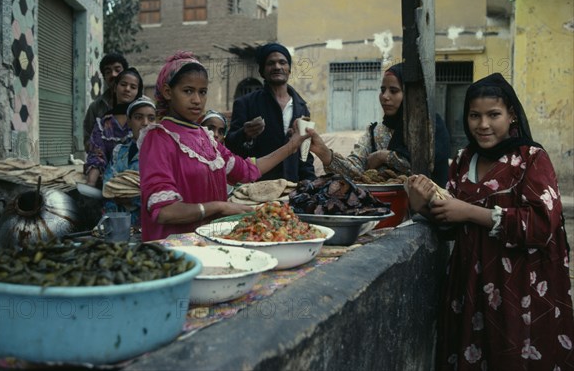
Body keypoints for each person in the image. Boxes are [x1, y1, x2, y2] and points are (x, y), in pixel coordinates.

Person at [406, 73, 573, 370]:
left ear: (511, 116)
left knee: (513, 354)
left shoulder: (531, 159)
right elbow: (452, 224)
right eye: (474, 115)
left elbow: (542, 225)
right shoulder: (463, 160)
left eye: (493, 114)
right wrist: (423, 208)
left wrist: (470, 212)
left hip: (520, 289)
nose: (482, 125)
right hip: (470, 285)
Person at [138, 51, 311, 241]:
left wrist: (292, 145)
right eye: (188, 91)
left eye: (202, 92)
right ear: (167, 92)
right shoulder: (158, 138)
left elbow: (247, 170)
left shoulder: (206, 138)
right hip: (175, 252)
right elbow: (164, 211)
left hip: (211, 245)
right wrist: (219, 207)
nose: (197, 100)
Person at [308, 63, 451, 187]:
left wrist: (384, 156)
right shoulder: (375, 132)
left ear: (409, 95)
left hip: (423, 212)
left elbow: (424, 167)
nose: (385, 96)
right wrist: (324, 153)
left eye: (393, 91)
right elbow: (355, 170)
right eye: (383, 90)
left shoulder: (428, 128)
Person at [225, 42, 316, 182]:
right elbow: (230, 146)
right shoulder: (245, 103)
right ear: (262, 71)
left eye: (282, 62)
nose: (277, 67)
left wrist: (310, 183)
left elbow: (305, 153)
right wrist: (244, 134)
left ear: (289, 69)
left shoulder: (301, 107)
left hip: (291, 187)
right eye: (271, 63)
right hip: (258, 187)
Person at [102, 96, 156, 229]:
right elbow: (108, 186)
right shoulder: (119, 151)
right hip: (119, 223)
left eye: (151, 118)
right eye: (138, 117)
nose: (145, 123)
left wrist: (127, 194)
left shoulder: (161, 153)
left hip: (149, 226)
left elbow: (158, 193)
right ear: (130, 122)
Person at [85, 67, 143, 187]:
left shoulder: (144, 121)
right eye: (123, 84)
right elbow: (97, 156)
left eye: (133, 87)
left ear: (138, 92)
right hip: (109, 184)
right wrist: (90, 184)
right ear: (115, 87)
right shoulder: (103, 124)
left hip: (139, 184)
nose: (127, 89)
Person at [83, 53, 129, 151]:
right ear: (104, 78)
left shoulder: (141, 104)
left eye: (118, 70)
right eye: (108, 72)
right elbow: (88, 141)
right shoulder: (95, 107)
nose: (113, 74)